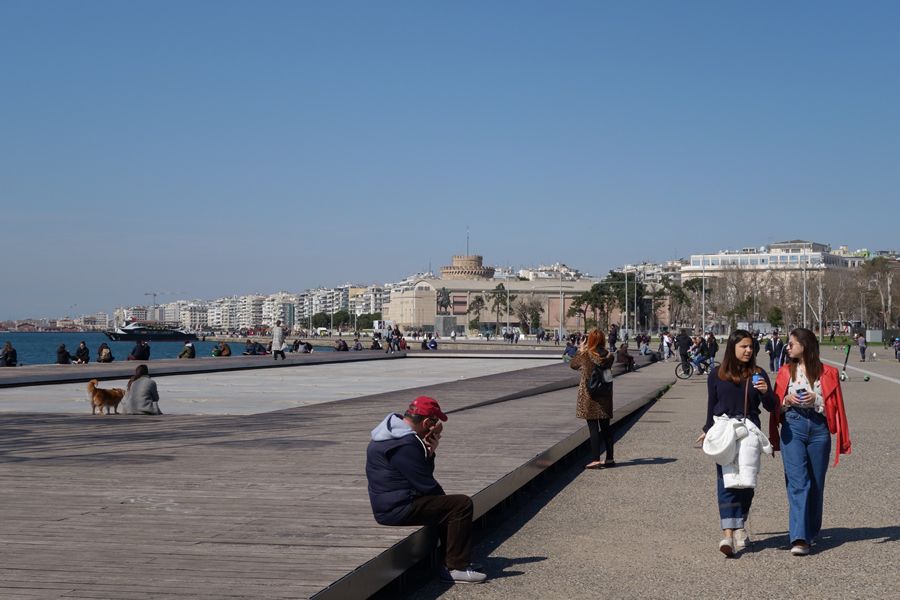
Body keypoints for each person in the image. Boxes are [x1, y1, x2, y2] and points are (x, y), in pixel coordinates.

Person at [366, 396, 486, 584]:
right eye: (435, 421)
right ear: (426, 422)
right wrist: (448, 505)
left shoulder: (390, 434)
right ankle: (454, 568)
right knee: (460, 505)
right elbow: (426, 484)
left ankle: (451, 562)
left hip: (392, 503)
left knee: (448, 505)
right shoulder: (406, 444)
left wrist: (429, 453)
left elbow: (418, 477)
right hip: (396, 509)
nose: (436, 426)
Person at [770, 328, 851, 556]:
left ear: (804, 346)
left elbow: (836, 408)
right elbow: (776, 405)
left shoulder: (829, 373)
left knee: (815, 484)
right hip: (793, 425)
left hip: (819, 428)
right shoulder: (785, 371)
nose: (788, 347)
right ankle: (800, 538)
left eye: (792, 343)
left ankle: (811, 530)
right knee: (798, 483)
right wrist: (786, 399)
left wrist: (818, 399)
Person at [696, 330, 777, 556]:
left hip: (749, 430)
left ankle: (740, 525)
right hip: (723, 431)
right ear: (732, 347)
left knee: (747, 483)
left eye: (751, 347)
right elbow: (712, 406)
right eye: (743, 346)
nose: (748, 350)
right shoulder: (716, 374)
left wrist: (765, 392)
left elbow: (771, 406)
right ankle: (728, 536)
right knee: (727, 481)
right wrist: (706, 431)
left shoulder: (758, 374)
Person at [570, 329, 617, 469]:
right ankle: (609, 459)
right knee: (606, 428)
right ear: (603, 340)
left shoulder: (587, 356)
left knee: (593, 429)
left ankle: (596, 460)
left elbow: (573, 365)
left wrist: (581, 349)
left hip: (590, 396)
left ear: (589, 340)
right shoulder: (610, 356)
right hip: (605, 395)